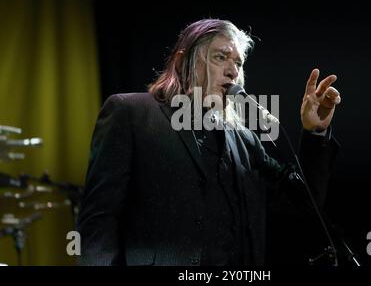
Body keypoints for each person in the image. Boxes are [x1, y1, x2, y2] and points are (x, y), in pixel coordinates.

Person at [76, 19, 342, 266]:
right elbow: (98, 221)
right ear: (183, 62)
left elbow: (304, 204)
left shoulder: (245, 140)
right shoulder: (131, 113)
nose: (233, 72)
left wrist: (314, 132)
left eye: (238, 63)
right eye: (221, 57)